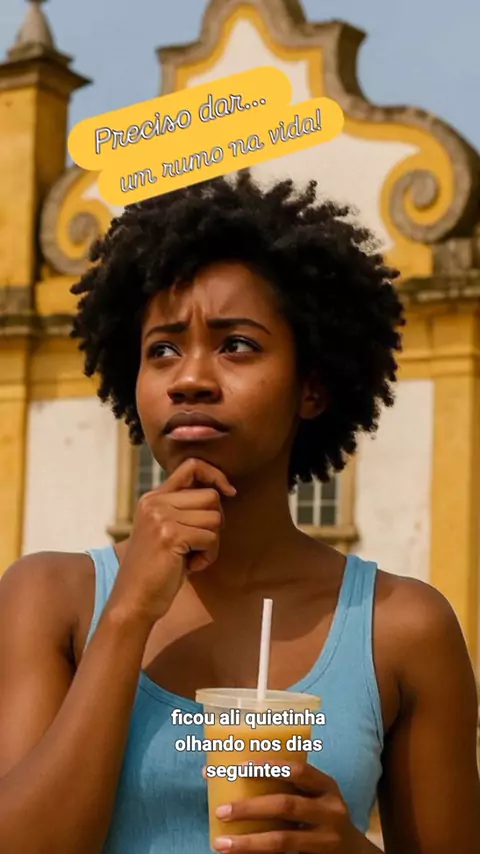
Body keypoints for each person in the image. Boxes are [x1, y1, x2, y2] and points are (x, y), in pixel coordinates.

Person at [0, 172, 479, 854]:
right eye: (163, 349)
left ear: (312, 388)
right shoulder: (51, 598)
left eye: (237, 345)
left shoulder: (402, 629)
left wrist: (352, 849)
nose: (190, 378)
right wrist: (129, 613)